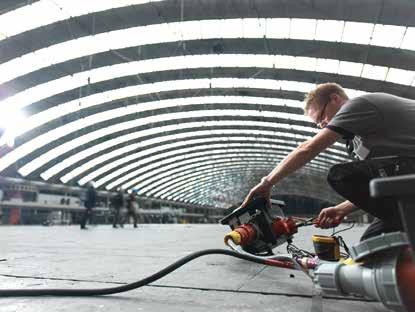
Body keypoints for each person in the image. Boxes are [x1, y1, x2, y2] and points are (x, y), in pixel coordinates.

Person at [241, 83, 415, 241]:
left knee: (341, 175)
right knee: (373, 244)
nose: (323, 125)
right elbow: (381, 183)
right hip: (409, 176)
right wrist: (341, 209)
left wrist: (267, 182)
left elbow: (307, 149)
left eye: (322, 117)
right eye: (318, 124)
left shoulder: (359, 105)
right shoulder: (359, 140)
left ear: (335, 98)